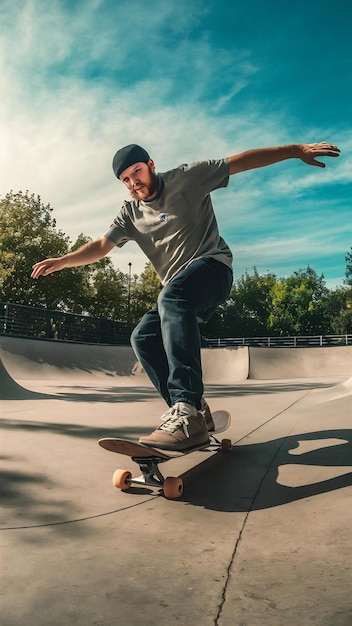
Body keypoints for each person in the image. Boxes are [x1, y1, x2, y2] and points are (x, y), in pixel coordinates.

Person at [31, 141, 340, 451]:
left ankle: (186, 406)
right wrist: (62, 261)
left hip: (213, 269)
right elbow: (101, 245)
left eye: (136, 172)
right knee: (143, 337)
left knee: (170, 298)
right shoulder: (130, 213)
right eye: (125, 179)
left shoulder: (187, 178)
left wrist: (294, 150)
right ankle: (195, 414)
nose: (133, 182)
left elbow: (242, 162)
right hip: (178, 291)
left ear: (151, 165)